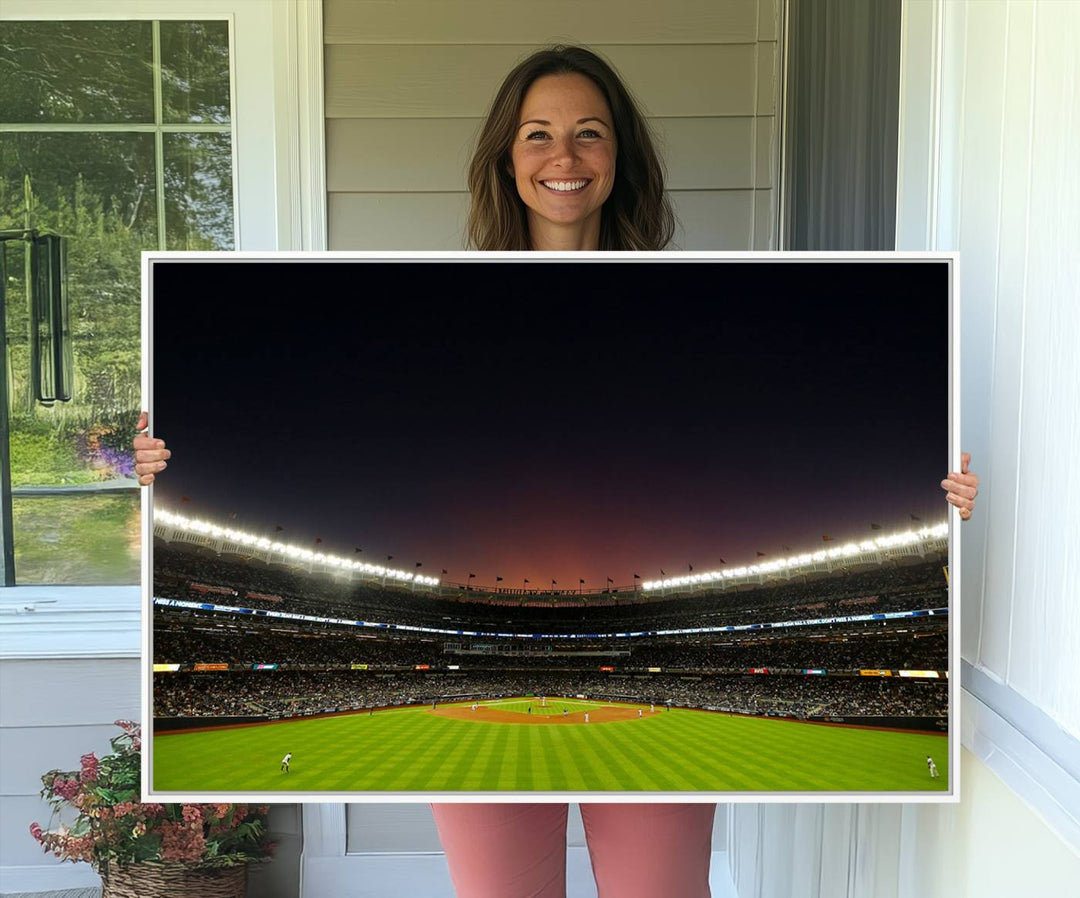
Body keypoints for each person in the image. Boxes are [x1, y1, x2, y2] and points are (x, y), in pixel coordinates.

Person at [134, 42, 980, 898]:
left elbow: (771, 437)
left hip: (657, 735)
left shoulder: (691, 313)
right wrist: (160, 461)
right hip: (483, 745)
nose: (563, 157)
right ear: (506, 158)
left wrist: (938, 500)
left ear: (621, 157)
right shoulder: (440, 315)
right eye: (537, 134)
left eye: (589, 133)